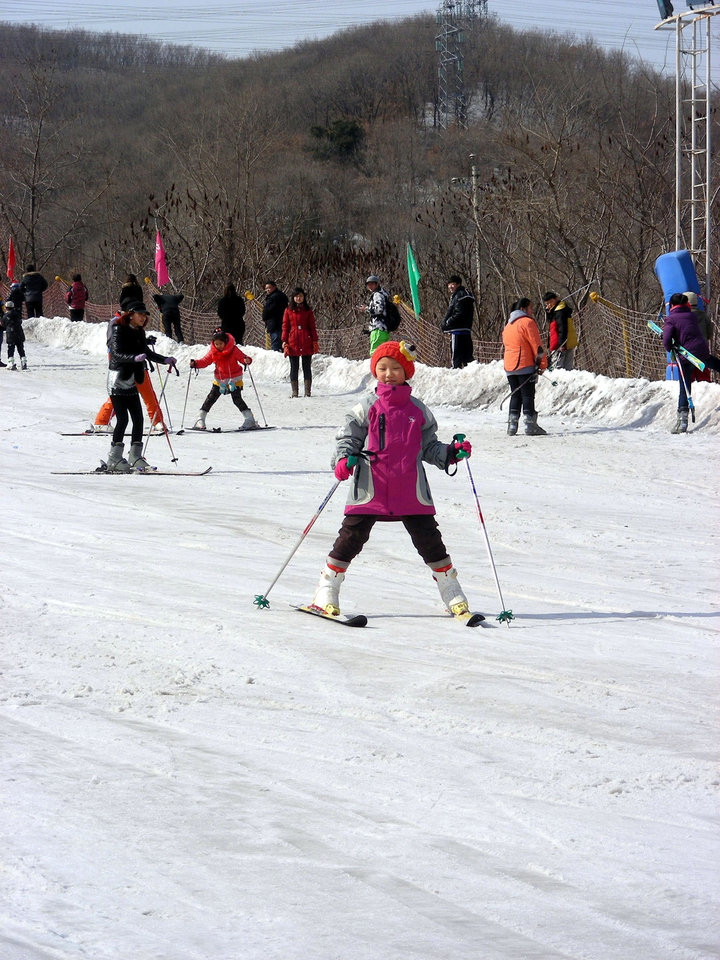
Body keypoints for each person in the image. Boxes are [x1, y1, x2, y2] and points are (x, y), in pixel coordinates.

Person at [309, 339, 474, 619]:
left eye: (395, 368)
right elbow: (348, 438)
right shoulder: (365, 407)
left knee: (429, 539)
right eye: (382, 368)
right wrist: (342, 460)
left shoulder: (418, 411)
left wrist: (450, 453)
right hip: (371, 486)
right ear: (375, 371)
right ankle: (327, 588)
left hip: (410, 487)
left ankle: (451, 589)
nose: (388, 374)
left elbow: (429, 447)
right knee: (351, 536)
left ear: (406, 372)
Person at [104, 302, 177, 472]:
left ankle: (135, 457)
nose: (144, 317)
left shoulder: (139, 331)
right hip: (117, 379)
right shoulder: (118, 329)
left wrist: (165, 359)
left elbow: (147, 352)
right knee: (123, 419)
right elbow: (115, 353)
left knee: (138, 418)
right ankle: (114, 458)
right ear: (130, 314)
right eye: (140, 314)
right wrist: (133, 358)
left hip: (131, 379)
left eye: (145, 315)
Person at [91, 309, 166, 433]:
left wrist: (146, 342)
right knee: (119, 397)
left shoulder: (136, 325)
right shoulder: (115, 323)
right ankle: (101, 421)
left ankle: (157, 421)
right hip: (123, 367)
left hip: (139, 366)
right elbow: (114, 345)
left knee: (149, 394)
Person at [662, 292, 720, 434]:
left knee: (685, 386)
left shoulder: (671, 319)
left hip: (685, 355)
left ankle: (682, 420)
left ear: (673, 305)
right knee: (714, 364)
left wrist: (670, 347)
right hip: (700, 350)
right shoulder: (692, 316)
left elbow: (667, 340)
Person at [190, 330, 257, 431]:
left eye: (220, 344)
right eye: (216, 344)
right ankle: (200, 419)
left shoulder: (233, 350)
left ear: (225, 342)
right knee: (211, 398)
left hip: (234, 379)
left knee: (237, 400)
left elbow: (242, 358)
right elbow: (205, 361)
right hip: (220, 380)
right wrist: (196, 363)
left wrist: (246, 360)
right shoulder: (213, 352)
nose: (218, 346)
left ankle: (249, 419)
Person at [502, 298, 548, 436]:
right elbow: (537, 346)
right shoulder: (527, 323)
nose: (531, 311)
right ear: (523, 309)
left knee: (515, 395)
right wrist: (542, 364)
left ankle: (512, 425)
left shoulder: (508, 325)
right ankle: (530, 425)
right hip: (524, 363)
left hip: (509, 365)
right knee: (528, 395)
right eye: (530, 308)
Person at [282, 286, 318, 397]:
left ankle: (307, 391)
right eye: (296, 296)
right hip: (293, 340)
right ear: (293, 297)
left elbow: (312, 326)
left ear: (304, 297)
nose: (298, 298)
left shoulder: (308, 310)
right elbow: (285, 326)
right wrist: (284, 340)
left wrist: (314, 340)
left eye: (301, 296)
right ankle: (295, 392)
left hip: (306, 339)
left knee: (307, 366)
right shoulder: (288, 310)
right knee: (294, 367)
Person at [440, 275, 475, 369]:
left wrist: (448, 322)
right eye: (449, 284)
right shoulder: (466, 295)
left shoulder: (458, 296)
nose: (450, 287)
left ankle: (455, 375)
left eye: (453, 284)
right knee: (468, 358)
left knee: (456, 358)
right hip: (466, 330)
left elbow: (459, 313)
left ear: (458, 284)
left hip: (456, 330)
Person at [357, 275, 391, 355]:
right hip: (384, 330)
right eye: (368, 284)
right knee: (383, 354)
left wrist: (366, 309)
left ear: (377, 284)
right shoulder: (384, 294)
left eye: (372, 284)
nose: (370, 286)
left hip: (378, 329)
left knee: (374, 354)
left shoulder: (377, 295)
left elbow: (379, 309)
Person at [543, 291, 577, 370]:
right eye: (547, 304)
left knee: (557, 369)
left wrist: (561, 344)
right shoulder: (560, 309)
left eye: (551, 302)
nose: (549, 305)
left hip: (560, 344)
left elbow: (562, 328)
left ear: (556, 299)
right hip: (568, 342)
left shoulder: (559, 311)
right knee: (568, 368)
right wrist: (548, 312)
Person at [262, 281, 288, 352]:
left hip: (274, 323)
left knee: (275, 345)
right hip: (283, 322)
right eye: (266, 288)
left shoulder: (273, 298)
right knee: (283, 342)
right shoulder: (282, 295)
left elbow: (267, 310)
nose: (268, 290)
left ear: (274, 287)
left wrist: (264, 317)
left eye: (269, 287)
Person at [2, 299, 27, 369]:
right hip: (19, 333)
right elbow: (20, 322)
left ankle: (11, 363)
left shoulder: (5, 316)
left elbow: (3, 325)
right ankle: (24, 362)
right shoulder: (18, 314)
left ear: (6, 307)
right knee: (21, 349)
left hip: (10, 334)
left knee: (10, 349)